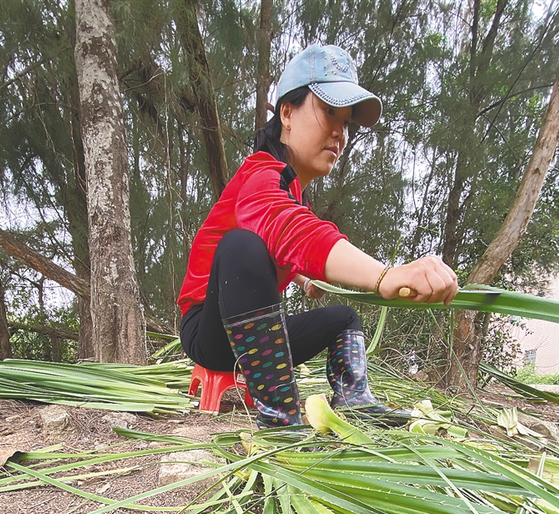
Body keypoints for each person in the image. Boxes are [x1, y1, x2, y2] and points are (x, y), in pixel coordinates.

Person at [178, 43, 458, 428]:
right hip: (208, 334)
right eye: (329, 112)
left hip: (259, 343)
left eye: (346, 123)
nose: (339, 133)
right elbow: (283, 228)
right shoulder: (261, 172)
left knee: (344, 318)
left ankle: (354, 398)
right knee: (241, 246)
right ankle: (281, 421)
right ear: (287, 113)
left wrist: (308, 275)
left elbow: (292, 233)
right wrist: (386, 275)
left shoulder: (293, 195)